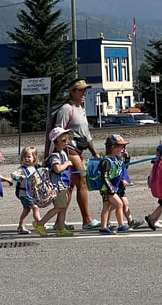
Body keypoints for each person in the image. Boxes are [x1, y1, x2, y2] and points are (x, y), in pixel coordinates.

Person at [52, 78, 101, 229]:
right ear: (72, 92)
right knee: (82, 182)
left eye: (85, 90)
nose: (84, 92)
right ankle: (86, 220)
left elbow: (86, 135)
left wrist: (94, 152)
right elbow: (58, 132)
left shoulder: (81, 108)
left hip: (79, 149)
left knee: (70, 186)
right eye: (80, 90)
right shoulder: (66, 109)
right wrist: (61, 154)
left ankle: (59, 222)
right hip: (69, 150)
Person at [32, 127, 74, 237]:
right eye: (63, 141)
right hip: (57, 186)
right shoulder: (55, 156)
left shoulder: (62, 153)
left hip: (63, 184)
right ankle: (40, 224)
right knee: (59, 207)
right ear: (56, 143)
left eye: (67, 140)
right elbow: (57, 169)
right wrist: (67, 164)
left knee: (63, 207)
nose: (67, 142)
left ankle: (61, 228)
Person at [98, 135, 130, 234]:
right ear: (112, 147)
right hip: (107, 188)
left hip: (111, 188)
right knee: (119, 204)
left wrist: (127, 158)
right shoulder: (107, 161)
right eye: (120, 146)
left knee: (107, 207)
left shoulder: (116, 160)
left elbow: (123, 168)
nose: (122, 149)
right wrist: (111, 189)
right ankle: (121, 225)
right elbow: (105, 176)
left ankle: (104, 226)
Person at [11, 146, 43, 234]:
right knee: (35, 208)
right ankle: (40, 223)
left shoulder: (35, 168)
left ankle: (21, 226)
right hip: (24, 193)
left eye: (29, 156)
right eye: (25, 157)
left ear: (34, 158)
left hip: (32, 193)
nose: (26, 158)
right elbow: (13, 174)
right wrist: (20, 177)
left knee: (26, 209)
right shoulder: (22, 169)